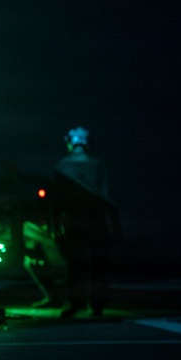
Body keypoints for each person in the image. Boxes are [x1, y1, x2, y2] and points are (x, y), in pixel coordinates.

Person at [51, 127, 122, 318]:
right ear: (88, 142)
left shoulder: (61, 166)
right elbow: (109, 196)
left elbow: (57, 200)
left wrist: (55, 226)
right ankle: (97, 306)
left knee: (75, 266)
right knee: (98, 266)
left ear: (69, 142)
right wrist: (116, 228)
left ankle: (76, 304)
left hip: (73, 221)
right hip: (97, 220)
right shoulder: (98, 164)